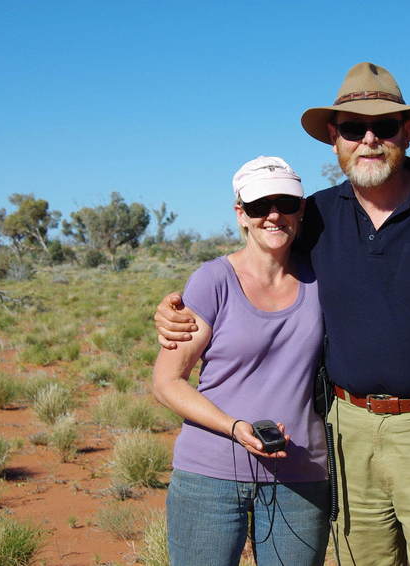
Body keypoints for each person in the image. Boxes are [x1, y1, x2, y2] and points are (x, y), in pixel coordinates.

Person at [156, 62, 410, 566]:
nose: (369, 139)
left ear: (409, 132)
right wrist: (174, 308)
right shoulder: (319, 214)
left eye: (386, 126)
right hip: (346, 431)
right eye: (354, 128)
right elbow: (259, 259)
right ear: (334, 137)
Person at [151, 156, 330, 566]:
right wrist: (234, 428)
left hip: (300, 473)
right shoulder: (214, 281)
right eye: (258, 206)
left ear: (301, 209)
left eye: (285, 203)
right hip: (210, 473)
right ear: (241, 215)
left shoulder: (323, 280)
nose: (273, 216)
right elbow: (167, 381)